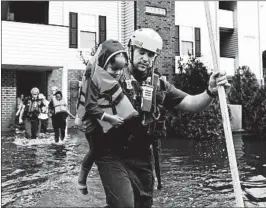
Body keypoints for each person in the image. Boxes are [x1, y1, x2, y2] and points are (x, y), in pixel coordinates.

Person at [82, 28, 230, 208]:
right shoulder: (113, 77)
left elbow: (192, 103)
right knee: (124, 204)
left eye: (151, 55)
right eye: (141, 52)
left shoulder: (160, 86)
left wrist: (210, 91)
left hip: (142, 155)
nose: (146, 58)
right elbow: (90, 93)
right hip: (111, 152)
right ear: (131, 51)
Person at [76, 39, 138, 195]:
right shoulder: (93, 78)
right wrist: (111, 119)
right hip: (93, 123)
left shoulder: (114, 78)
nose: (117, 73)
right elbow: (90, 107)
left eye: (120, 69)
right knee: (95, 150)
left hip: (104, 124)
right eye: (113, 68)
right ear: (103, 62)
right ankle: (82, 179)